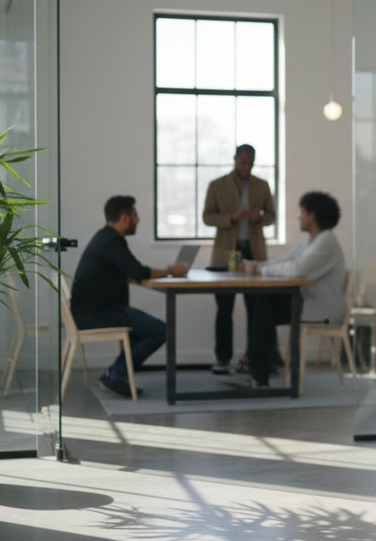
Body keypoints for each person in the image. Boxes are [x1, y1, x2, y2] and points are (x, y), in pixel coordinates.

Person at [71, 195, 188, 398]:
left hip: (94, 311)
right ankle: (115, 374)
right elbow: (138, 271)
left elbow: (129, 270)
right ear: (125, 218)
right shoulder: (112, 241)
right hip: (98, 314)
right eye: (135, 215)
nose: (138, 219)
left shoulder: (105, 237)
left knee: (143, 330)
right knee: (161, 330)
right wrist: (171, 270)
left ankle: (115, 374)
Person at [243, 191, 346, 387]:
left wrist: (259, 270)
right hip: (307, 301)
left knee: (265, 305)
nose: (299, 217)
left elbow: (298, 270)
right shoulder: (310, 241)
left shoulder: (326, 242)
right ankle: (259, 369)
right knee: (264, 303)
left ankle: (259, 370)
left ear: (313, 216)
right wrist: (258, 266)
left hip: (322, 310)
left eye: (302, 212)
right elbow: (284, 261)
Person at [203, 144, 278, 375]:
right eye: (243, 162)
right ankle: (222, 359)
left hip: (252, 253)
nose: (246, 167)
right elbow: (207, 217)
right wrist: (231, 217)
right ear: (235, 159)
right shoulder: (217, 185)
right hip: (225, 254)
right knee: (224, 309)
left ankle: (254, 358)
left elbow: (272, 217)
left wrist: (261, 217)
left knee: (256, 310)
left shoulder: (262, 186)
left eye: (250, 163)